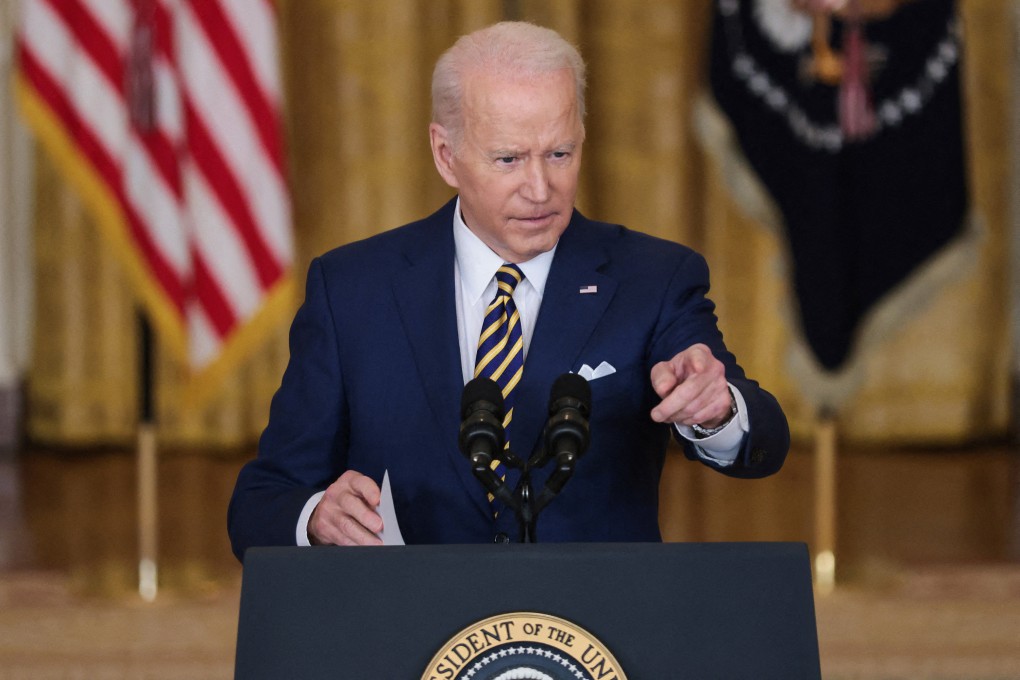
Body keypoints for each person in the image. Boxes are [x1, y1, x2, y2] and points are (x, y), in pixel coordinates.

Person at [228, 21, 789, 560]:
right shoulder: (354, 290)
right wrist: (315, 518)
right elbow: (260, 502)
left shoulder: (652, 278)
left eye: (559, 154)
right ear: (446, 156)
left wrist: (717, 412)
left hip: (594, 637)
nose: (540, 188)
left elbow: (762, 438)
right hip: (412, 637)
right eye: (509, 159)